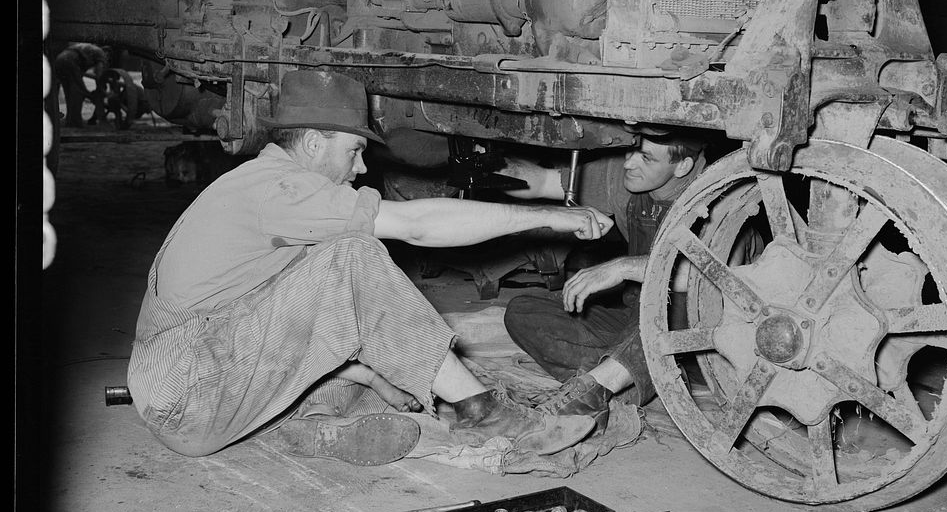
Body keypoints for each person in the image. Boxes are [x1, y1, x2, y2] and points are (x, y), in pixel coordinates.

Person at [127, 69, 614, 465]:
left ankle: (309, 428)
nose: (360, 168)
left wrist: (372, 375)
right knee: (354, 256)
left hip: (187, 386)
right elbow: (418, 226)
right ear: (315, 143)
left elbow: (295, 316)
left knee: (391, 384)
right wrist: (553, 215)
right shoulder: (279, 189)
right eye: (354, 150)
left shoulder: (265, 183)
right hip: (188, 392)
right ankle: (484, 413)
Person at [501, 132, 725, 431]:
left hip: (702, 337)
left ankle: (597, 388)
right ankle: (632, 375)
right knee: (524, 312)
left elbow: (705, 278)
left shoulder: (720, 196)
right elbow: (541, 181)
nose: (628, 163)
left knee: (666, 305)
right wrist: (485, 164)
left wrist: (621, 267)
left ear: (682, 166)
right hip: (636, 327)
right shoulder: (628, 175)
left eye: (645, 157)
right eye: (631, 151)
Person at [50, 43, 109, 128]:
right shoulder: (101, 53)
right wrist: (100, 90)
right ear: (106, 53)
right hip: (70, 60)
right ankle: (75, 123)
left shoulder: (89, 49)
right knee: (78, 93)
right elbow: (99, 74)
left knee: (69, 93)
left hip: (60, 59)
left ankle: (70, 121)